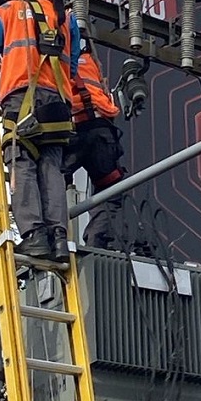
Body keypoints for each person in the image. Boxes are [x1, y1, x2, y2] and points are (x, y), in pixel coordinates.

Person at [0, 0, 81, 262]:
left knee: (22, 164)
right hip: (58, 104)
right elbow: (72, 65)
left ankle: (34, 235)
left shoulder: (9, 10)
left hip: (21, 99)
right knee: (51, 169)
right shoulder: (67, 19)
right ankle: (59, 238)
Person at [65, 41, 127, 250]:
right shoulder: (92, 62)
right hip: (101, 131)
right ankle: (97, 242)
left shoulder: (55, 56)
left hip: (72, 130)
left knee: (49, 181)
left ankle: (50, 237)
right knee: (109, 188)